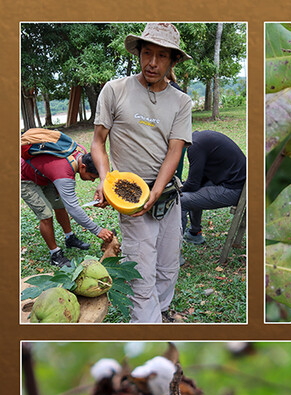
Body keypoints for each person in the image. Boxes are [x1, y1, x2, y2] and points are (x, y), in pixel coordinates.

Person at [90, 22, 193, 323]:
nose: (152, 63)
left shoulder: (181, 102)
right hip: (129, 196)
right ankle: (146, 327)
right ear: (138, 53)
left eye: (162, 56)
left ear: (173, 61)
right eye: (147, 53)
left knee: (168, 264)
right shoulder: (115, 90)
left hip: (167, 195)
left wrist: (158, 190)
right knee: (140, 267)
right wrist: (106, 180)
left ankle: (161, 310)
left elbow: (175, 150)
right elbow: (98, 141)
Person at [21, 148, 116, 267]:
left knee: (60, 206)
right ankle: (55, 254)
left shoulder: (81, 151)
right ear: (82, 167)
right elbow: (73, 208)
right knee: (46, 215)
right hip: (25, 178)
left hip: (44, 176)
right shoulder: (64, 174)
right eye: (91, 176)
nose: (92, 181)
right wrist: (97, 230)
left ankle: (69, 238)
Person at [181, 130, 246, 245]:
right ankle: (195, 233)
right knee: (195, 193)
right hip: (238, 184)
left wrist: (177, 191)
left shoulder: (194, 146)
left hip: (236, 190)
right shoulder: (199, 138)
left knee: (179, 201)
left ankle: (174, 252)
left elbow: (192, 184)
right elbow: (199, 180)